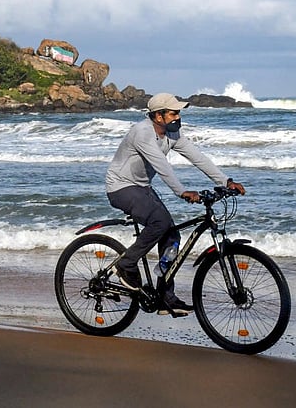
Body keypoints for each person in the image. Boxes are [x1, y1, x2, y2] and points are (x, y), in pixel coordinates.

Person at [105, 93, 246, 315]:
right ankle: (126, 264)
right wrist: (182, 191)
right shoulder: (142, 132)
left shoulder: (173, 134)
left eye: (178, 112)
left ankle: (164, 298)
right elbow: (162, 166)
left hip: (142, 188)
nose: (177, 117)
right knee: (160, 222)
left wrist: (225, 181)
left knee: (171, 236)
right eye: (173, 113)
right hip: (121, 187)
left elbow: (197, 157)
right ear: (158, 116)